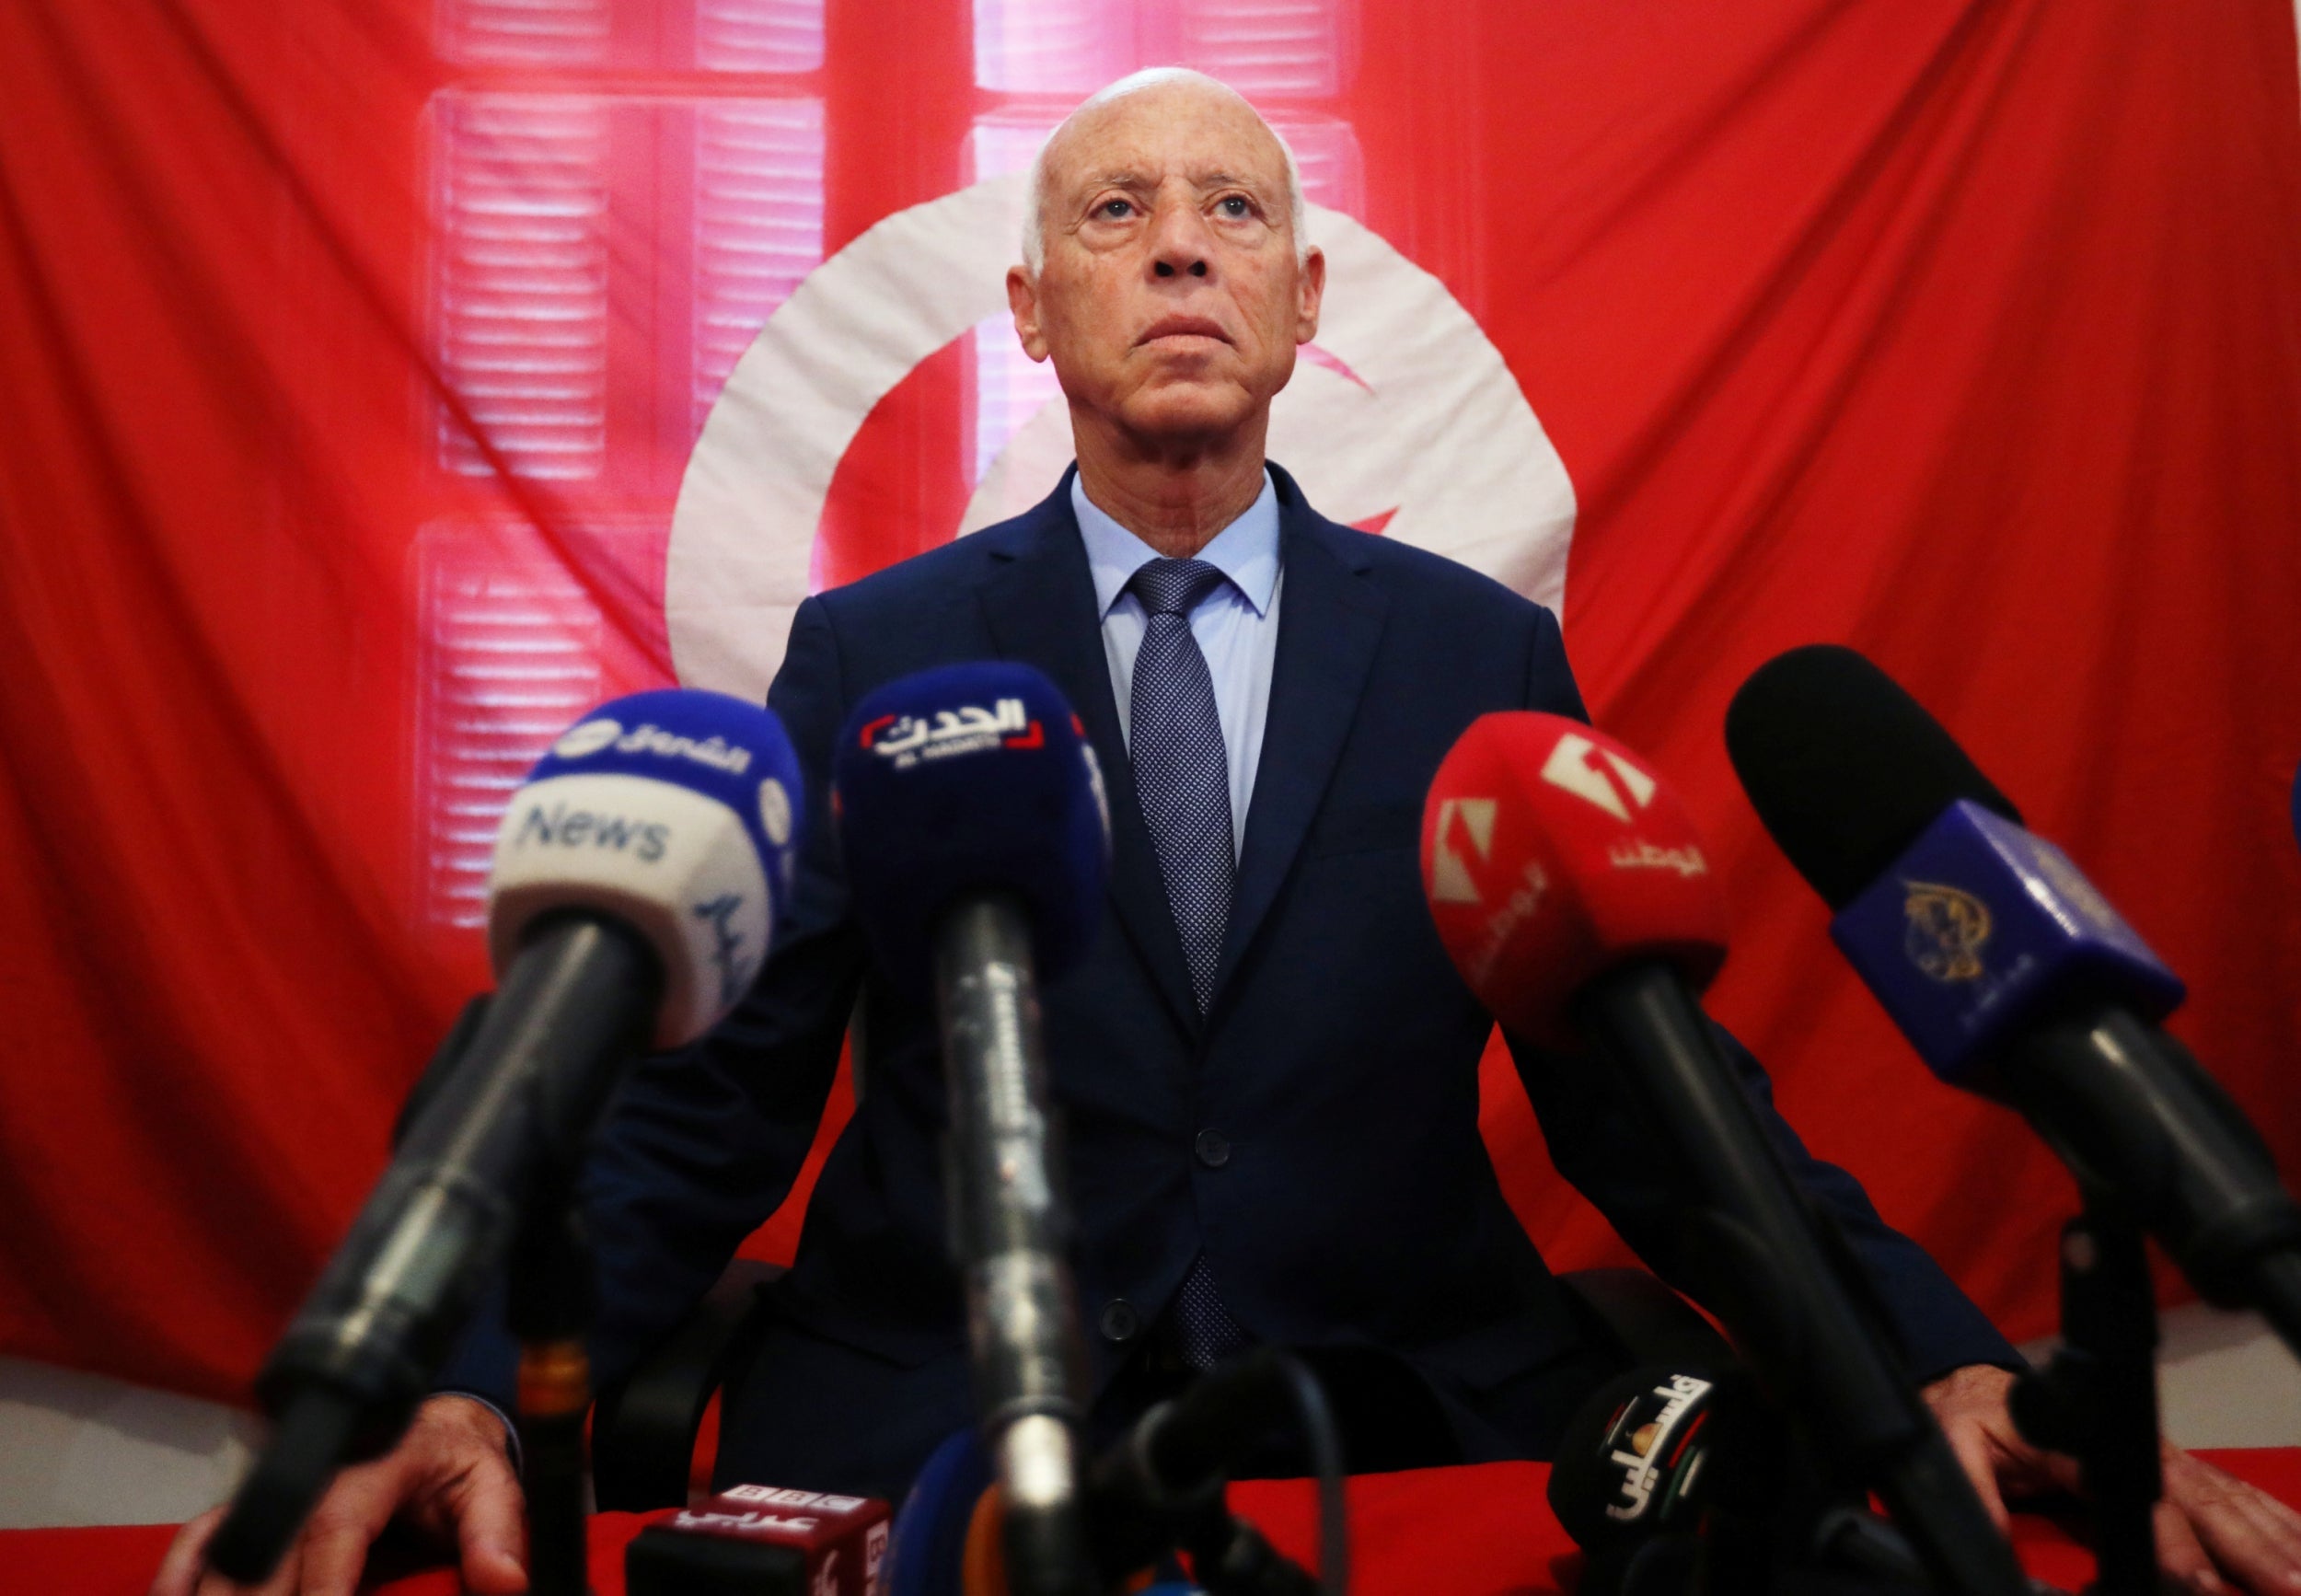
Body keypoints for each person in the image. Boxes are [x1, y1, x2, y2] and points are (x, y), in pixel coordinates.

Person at [156, 67, 2301, 1596]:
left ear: (1297, 315)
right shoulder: (869, 644)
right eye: (1111, 212)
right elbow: (711, 1107)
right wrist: (446, 1380)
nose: (1177, 240)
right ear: (1029, 315)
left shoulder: (1477, 654)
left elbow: (1653, 1106)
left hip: (1399, 1415)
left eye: (1234, 213)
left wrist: (1925, 1350)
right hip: (919, 1430)